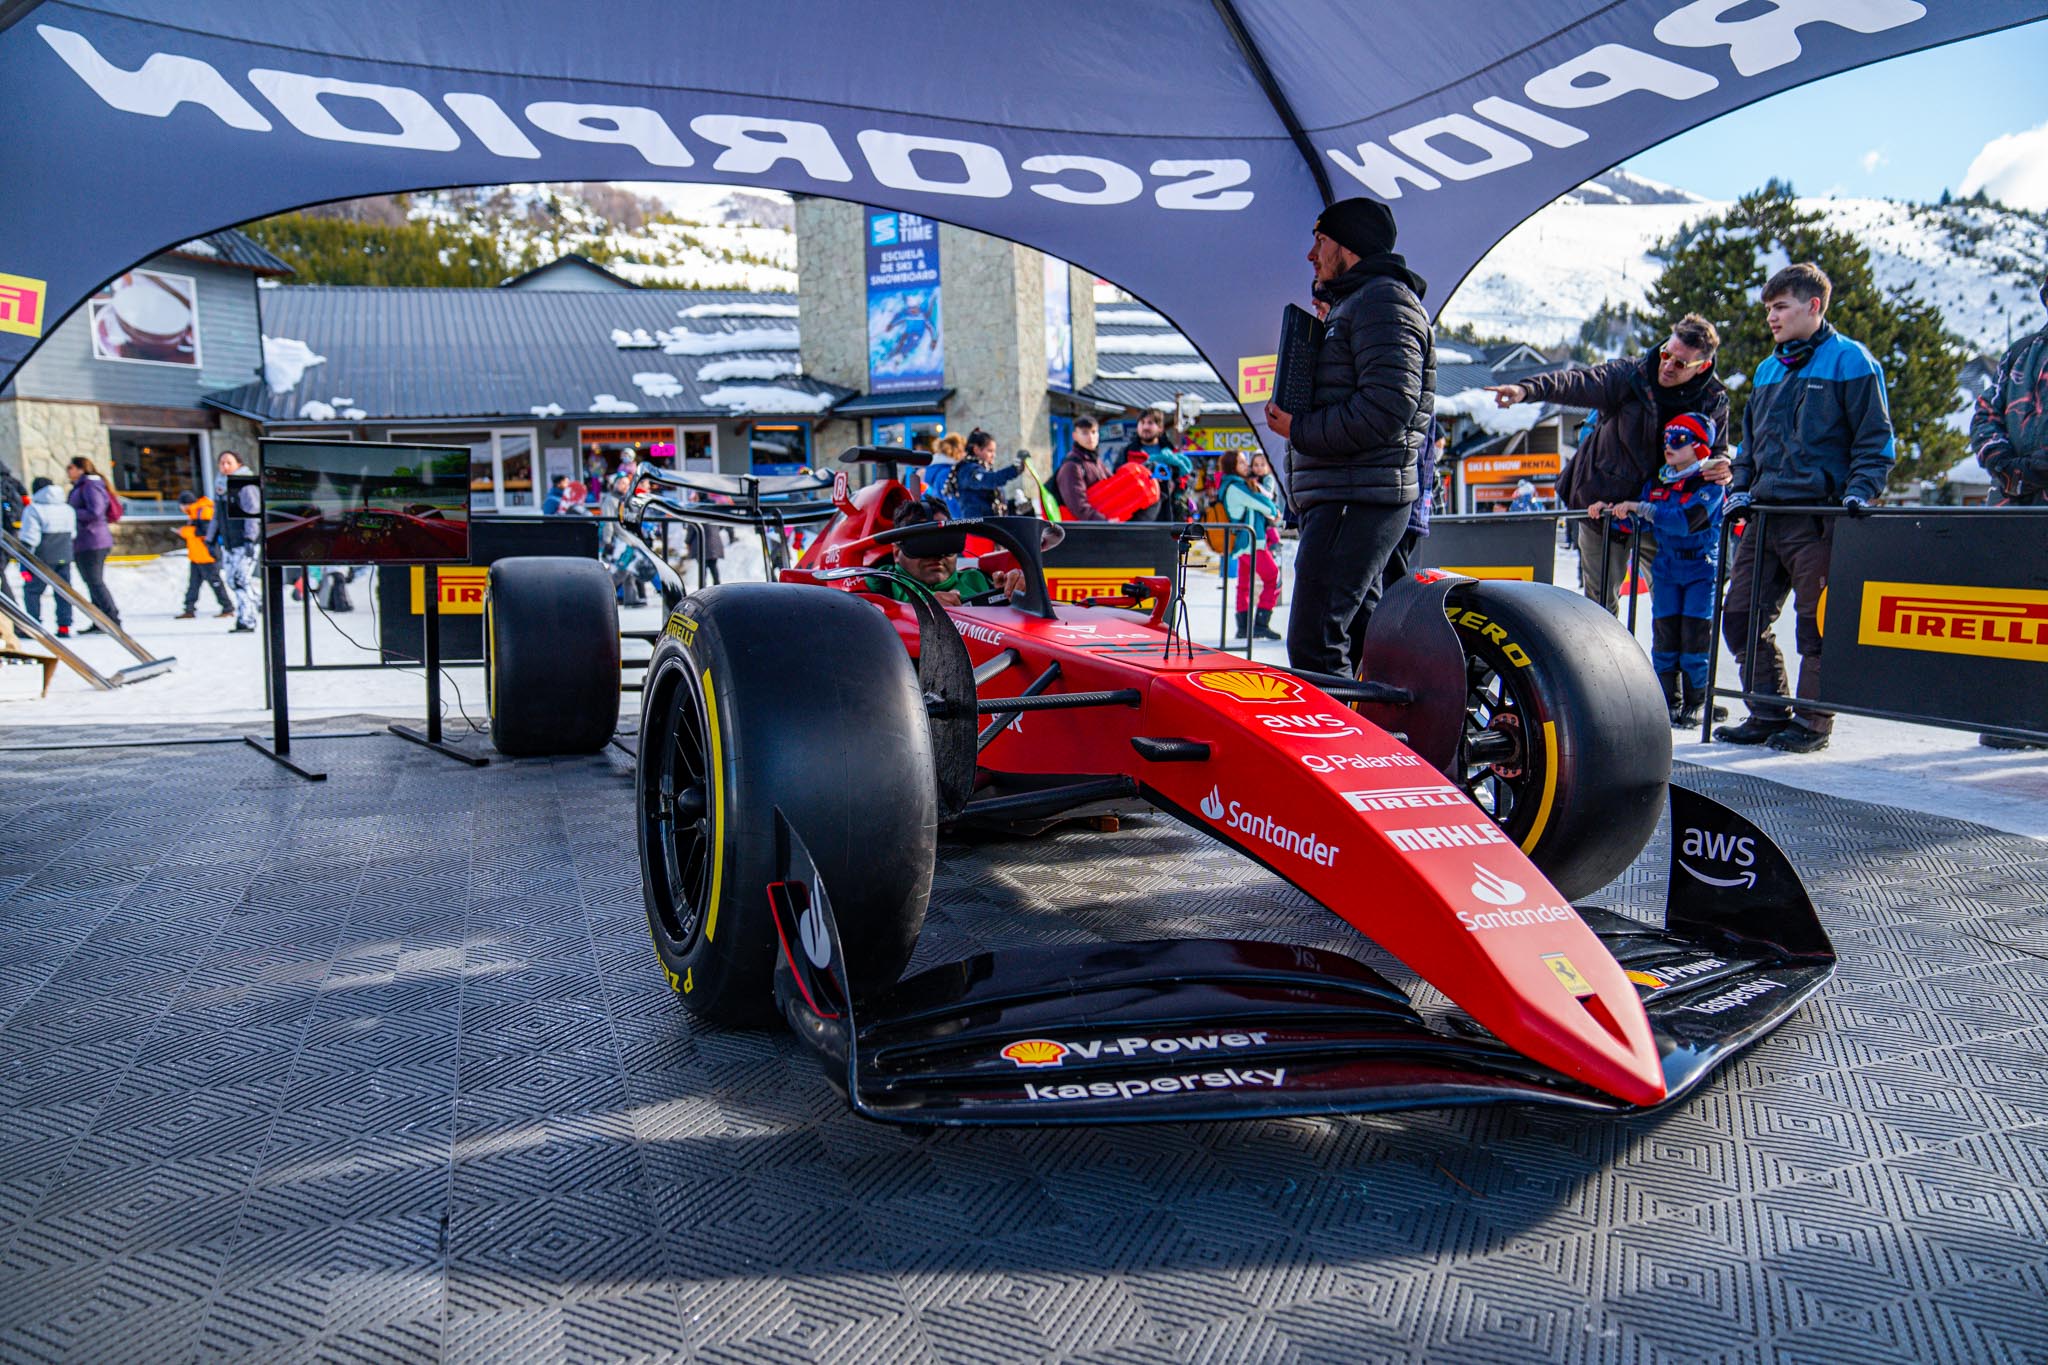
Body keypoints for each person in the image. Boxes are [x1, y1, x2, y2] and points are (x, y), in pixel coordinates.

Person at [1717, 262, 1895, 754]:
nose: (1772, 318)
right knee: (1740, 616)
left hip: (1820, 518)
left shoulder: (1852, 361)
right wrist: (1741, 487)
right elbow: (1749, 446)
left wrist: (1860, 491)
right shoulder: (1768, 369)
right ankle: (1767, 710)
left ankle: (1813, 723)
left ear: (1813, 305)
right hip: (1764, 516)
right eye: (1768, 310)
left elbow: (1875, 441)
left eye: (1781, 307)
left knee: (1815, 626)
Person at [1262, 195, 1431, 677]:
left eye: (1320, 241)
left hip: (1355, 497)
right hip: (1350, 495)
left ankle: (1336, 731)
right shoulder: (1361, 303)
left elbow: (1387, 408)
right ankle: (1373, 725)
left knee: (1316, 645)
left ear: (1349, 245)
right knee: (1357, 641)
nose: (1311, 254)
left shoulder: (1382, 301)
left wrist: (1298, 428)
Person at [1487, 315, 1733, 611]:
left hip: (1659, 511)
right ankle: (1602, 643)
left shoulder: (1713, 399)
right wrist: (1526, 390)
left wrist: (1722, 465)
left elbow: (1716, 451)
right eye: (1666, 354)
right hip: (1602, 502)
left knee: (1672, 604)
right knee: (1600, 606)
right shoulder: (1631, 374)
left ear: (1702, 367)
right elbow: (1578, 382)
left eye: (1680, 363)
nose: (1667, 365)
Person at [1595, 414, 1727, 727]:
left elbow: (1684, 521)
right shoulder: (1657, 482)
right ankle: (1668, 700)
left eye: (1679, 439)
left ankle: (1698, 701)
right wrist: (1610, 512)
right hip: (1666, 566)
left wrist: (1640, 508)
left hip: (1700, 567)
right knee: (1665, 635)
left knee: (1694, 637)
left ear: (1699, 446)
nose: (1670, 445)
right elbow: (1639, 523)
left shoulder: (1710, 484)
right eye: (1667, 438)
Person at [1967, 274, 2048, 749]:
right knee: (2011, 614)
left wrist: (2040, 467)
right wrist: (2002, 461)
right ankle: (2011, 717)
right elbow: (1985, 413)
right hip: (2012, 507)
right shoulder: (2021, 352)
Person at [864, 495, 1025, 605]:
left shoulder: (978, 581)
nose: (937, 554)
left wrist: (1015, 593)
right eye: (923, 544)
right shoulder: (878, 584)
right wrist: (926, 609)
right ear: (896, 552)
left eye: (945, 542)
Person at [1217, 450, 1283, 641]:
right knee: (1273, 577)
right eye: (1241, 462)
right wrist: (1275, 512)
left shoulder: (1231, 484)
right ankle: (1261, 624)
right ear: (1232, 466)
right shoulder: (1236, 487)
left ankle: (1243, 628)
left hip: (1243, 541)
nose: (1246, 465)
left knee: (1244, 585)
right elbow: (1263, 504)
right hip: (1250, 543)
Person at [64, 456, 122, 629]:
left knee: (95, 581)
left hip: (93, 539)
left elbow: (96, 511)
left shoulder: (90, 485)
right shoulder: (82, 486)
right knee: (91, 582)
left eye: (70, 467)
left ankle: (111, 618)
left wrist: (71, 512)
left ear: (81, 469)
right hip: (85, 539)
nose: (68, 471)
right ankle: (100, 620)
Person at [17, 476, 77, 637]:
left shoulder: (34, 509)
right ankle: (64, 626)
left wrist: (24, 561)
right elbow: (73, 533)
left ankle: (34, 624)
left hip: (42, 556)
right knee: (63, 591)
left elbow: (30, 537)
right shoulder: (67, 508)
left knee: (32, 591)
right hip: (64, 554)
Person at [212, 449, 263, 633]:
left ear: (238, 464)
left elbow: (252, 512)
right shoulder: (220, 485)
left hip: (244, 540)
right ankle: (258, 602)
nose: (225, 466)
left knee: (240, 580)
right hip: (229, 541)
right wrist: (210, 539)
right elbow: (217, 515)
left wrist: (250, 538)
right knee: (232, 581)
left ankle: (247, 620)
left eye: (229, 462)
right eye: (222, 463)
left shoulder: (245, 484)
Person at [173, 487, 234, 619]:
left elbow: (206, 531)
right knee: (193, 584)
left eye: (181, 505)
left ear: (185, 504)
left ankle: (227, 607)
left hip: (207, 555)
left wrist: (184, 532)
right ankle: (189, 609)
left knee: (215, 583)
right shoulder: (195, 512)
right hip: (197, 555)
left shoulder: (203, 511)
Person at [948, 429, 1023, 520]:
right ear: (976, 449)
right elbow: (989, 480)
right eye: (990, 451)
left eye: (994, 451)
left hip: (990, 524)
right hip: (977, 525)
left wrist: (1015, 506)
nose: (994, 455)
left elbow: (991, 505)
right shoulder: (967, 471)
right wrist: (1014, 470)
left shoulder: (985, 470)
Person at [1055, 417, 1109, 520]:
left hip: (1101, 524)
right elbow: (1078, 507)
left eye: (1094, 432)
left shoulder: (1097, 462)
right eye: (1085, 433)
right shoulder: (1072, 466)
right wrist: (1105, 521)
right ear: (1075, 436)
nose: (1090, 437)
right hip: (1084, 527)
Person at [0, 460, 26, 608]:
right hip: (12, 532)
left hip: (4, 533)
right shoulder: (14, 482)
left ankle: (11, 609)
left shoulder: (3, 485)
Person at [923, 432, 965, 514]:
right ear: (956, 451)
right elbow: (952, 506)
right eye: (963, 451)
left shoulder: (939, 470)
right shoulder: (947, 473)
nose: (964, 454)